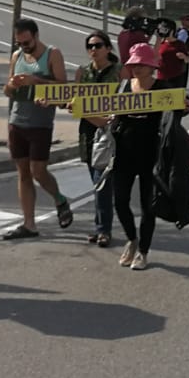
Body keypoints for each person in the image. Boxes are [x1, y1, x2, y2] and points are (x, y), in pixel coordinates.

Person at [2, 18, 73, 240]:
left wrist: (35, 81)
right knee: (23, 173)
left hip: (40, 124)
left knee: (39, 171)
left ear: (36, 35)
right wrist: (12, 86)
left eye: (27, 42)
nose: (24, 47)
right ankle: (29, 224)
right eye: (20, 43)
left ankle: (60, 199)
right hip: (17, 122)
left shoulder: (53, 54)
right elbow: (8, 91)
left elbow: (63, 89)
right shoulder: (16, 57)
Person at [111, 43, 164, 270]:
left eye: (141, 64)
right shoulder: (124, 87)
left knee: (147, 206)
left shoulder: (162, 88)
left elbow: (177, 109)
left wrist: (186, 106)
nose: (137, 68)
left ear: (151, 66)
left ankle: (143, 251)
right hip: (124, 153)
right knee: (120, 201)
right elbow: (106, 113)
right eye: (134, 64)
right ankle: (132, 239)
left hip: (150, 155)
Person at [76, 33, 120, 247]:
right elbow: (70, 98)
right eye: (90, 46)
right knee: (97, 182)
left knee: (101, 182)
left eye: (98, 45)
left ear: (108, 48)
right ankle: (100, 226)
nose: (93, 49)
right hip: (88, 132)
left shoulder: (120, 73)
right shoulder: (83, 73)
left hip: (111, 131)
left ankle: (104, 230)